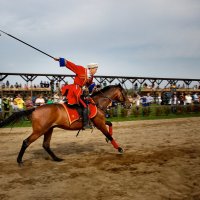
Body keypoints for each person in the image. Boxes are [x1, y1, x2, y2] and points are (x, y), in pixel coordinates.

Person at [54, 57, 98, 129]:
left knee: (87, 103)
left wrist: (93, 87)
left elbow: (88, 85)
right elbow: (71, 65)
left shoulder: (91, 76)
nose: (96, 71)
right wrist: (60, 59)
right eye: (96, 69)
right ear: (91, 68)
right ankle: (85, 124)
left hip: (81, 91)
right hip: (75, 90)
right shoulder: (81, 69)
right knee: (84, 105)